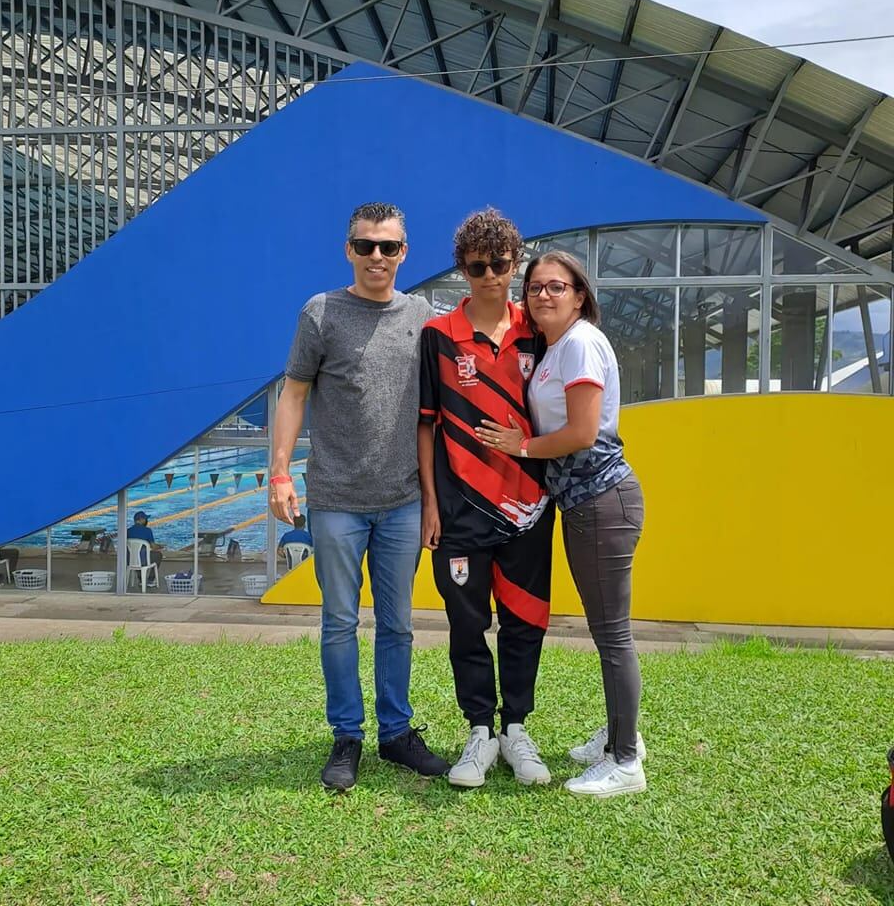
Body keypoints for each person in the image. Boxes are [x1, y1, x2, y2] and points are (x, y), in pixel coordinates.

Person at [269, 201, 448, 792]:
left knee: (397, 624)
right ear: (349, 249)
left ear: (404, 252)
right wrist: (279, 472)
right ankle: (347, 734)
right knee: (339, 622)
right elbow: (293, 394)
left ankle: (395, 733)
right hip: (337, 499)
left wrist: (431, 497)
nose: (377, 256)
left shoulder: (423, 317)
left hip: (400, 501)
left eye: (388, 246)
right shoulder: (321, 313)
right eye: (366, 245)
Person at [476, 249, 647, 798]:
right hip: (582, 504)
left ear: (579, 295)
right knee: (608, 633)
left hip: (601, 501)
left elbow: (581, 432)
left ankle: (625, 762)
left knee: (613, 635)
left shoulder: (580, 343)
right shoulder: (555, 348)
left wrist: (519, 447)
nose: (543, 295)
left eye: (556, 286)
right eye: (535, 288)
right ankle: (623, 736)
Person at [419, 210, 554, 789]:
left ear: (514, 262)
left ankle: (516, 729)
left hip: (529, 510)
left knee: (525, 623)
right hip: (460, 513)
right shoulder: (438, 337)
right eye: (477, 267)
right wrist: (430, 502)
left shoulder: (541, 331)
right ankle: (479, 730)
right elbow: (426, 426)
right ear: (462, 268)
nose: (490, 276)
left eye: (500, 264)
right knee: (467, 625)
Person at [127, 510, 163, 584]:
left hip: (130, 559)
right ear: (141, 520)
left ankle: (140, 579)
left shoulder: (128, 531)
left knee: (137, 555)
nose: (147, 521)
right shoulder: (147, 530)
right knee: (158, 555)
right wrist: (160, 546)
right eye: (146, 519)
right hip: (143, 560)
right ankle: (150, 580)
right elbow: (153, 547)